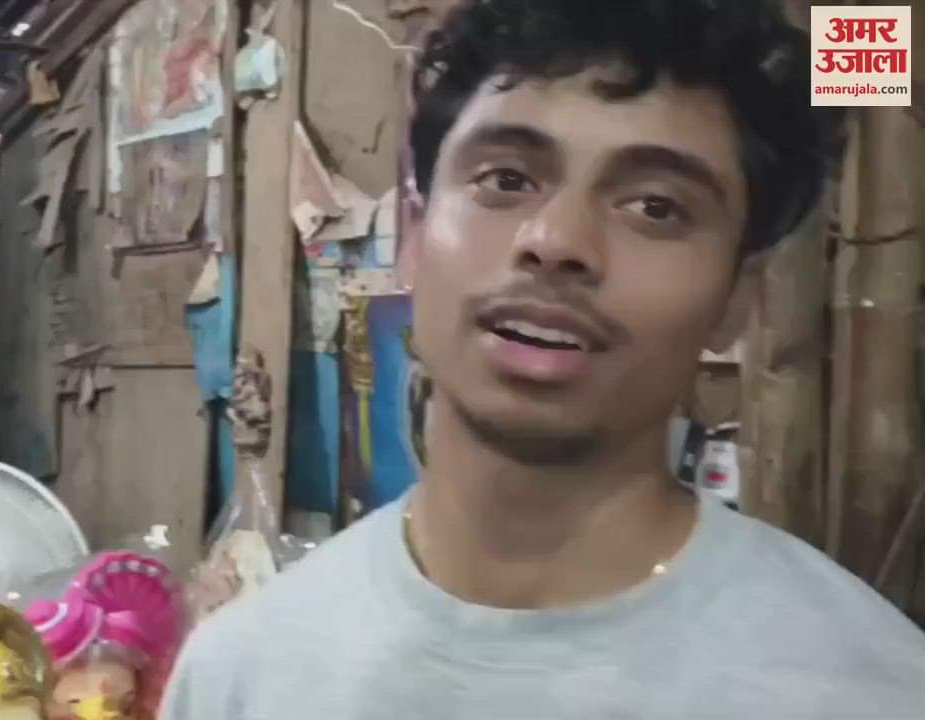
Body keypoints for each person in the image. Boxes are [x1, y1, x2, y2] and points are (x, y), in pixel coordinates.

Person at [160, 1, 925, 717]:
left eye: (656, 207)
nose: (556, 242)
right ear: (416, 238)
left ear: (735, 300)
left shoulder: (868, 689)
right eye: (506, 180)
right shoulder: (241, 675)